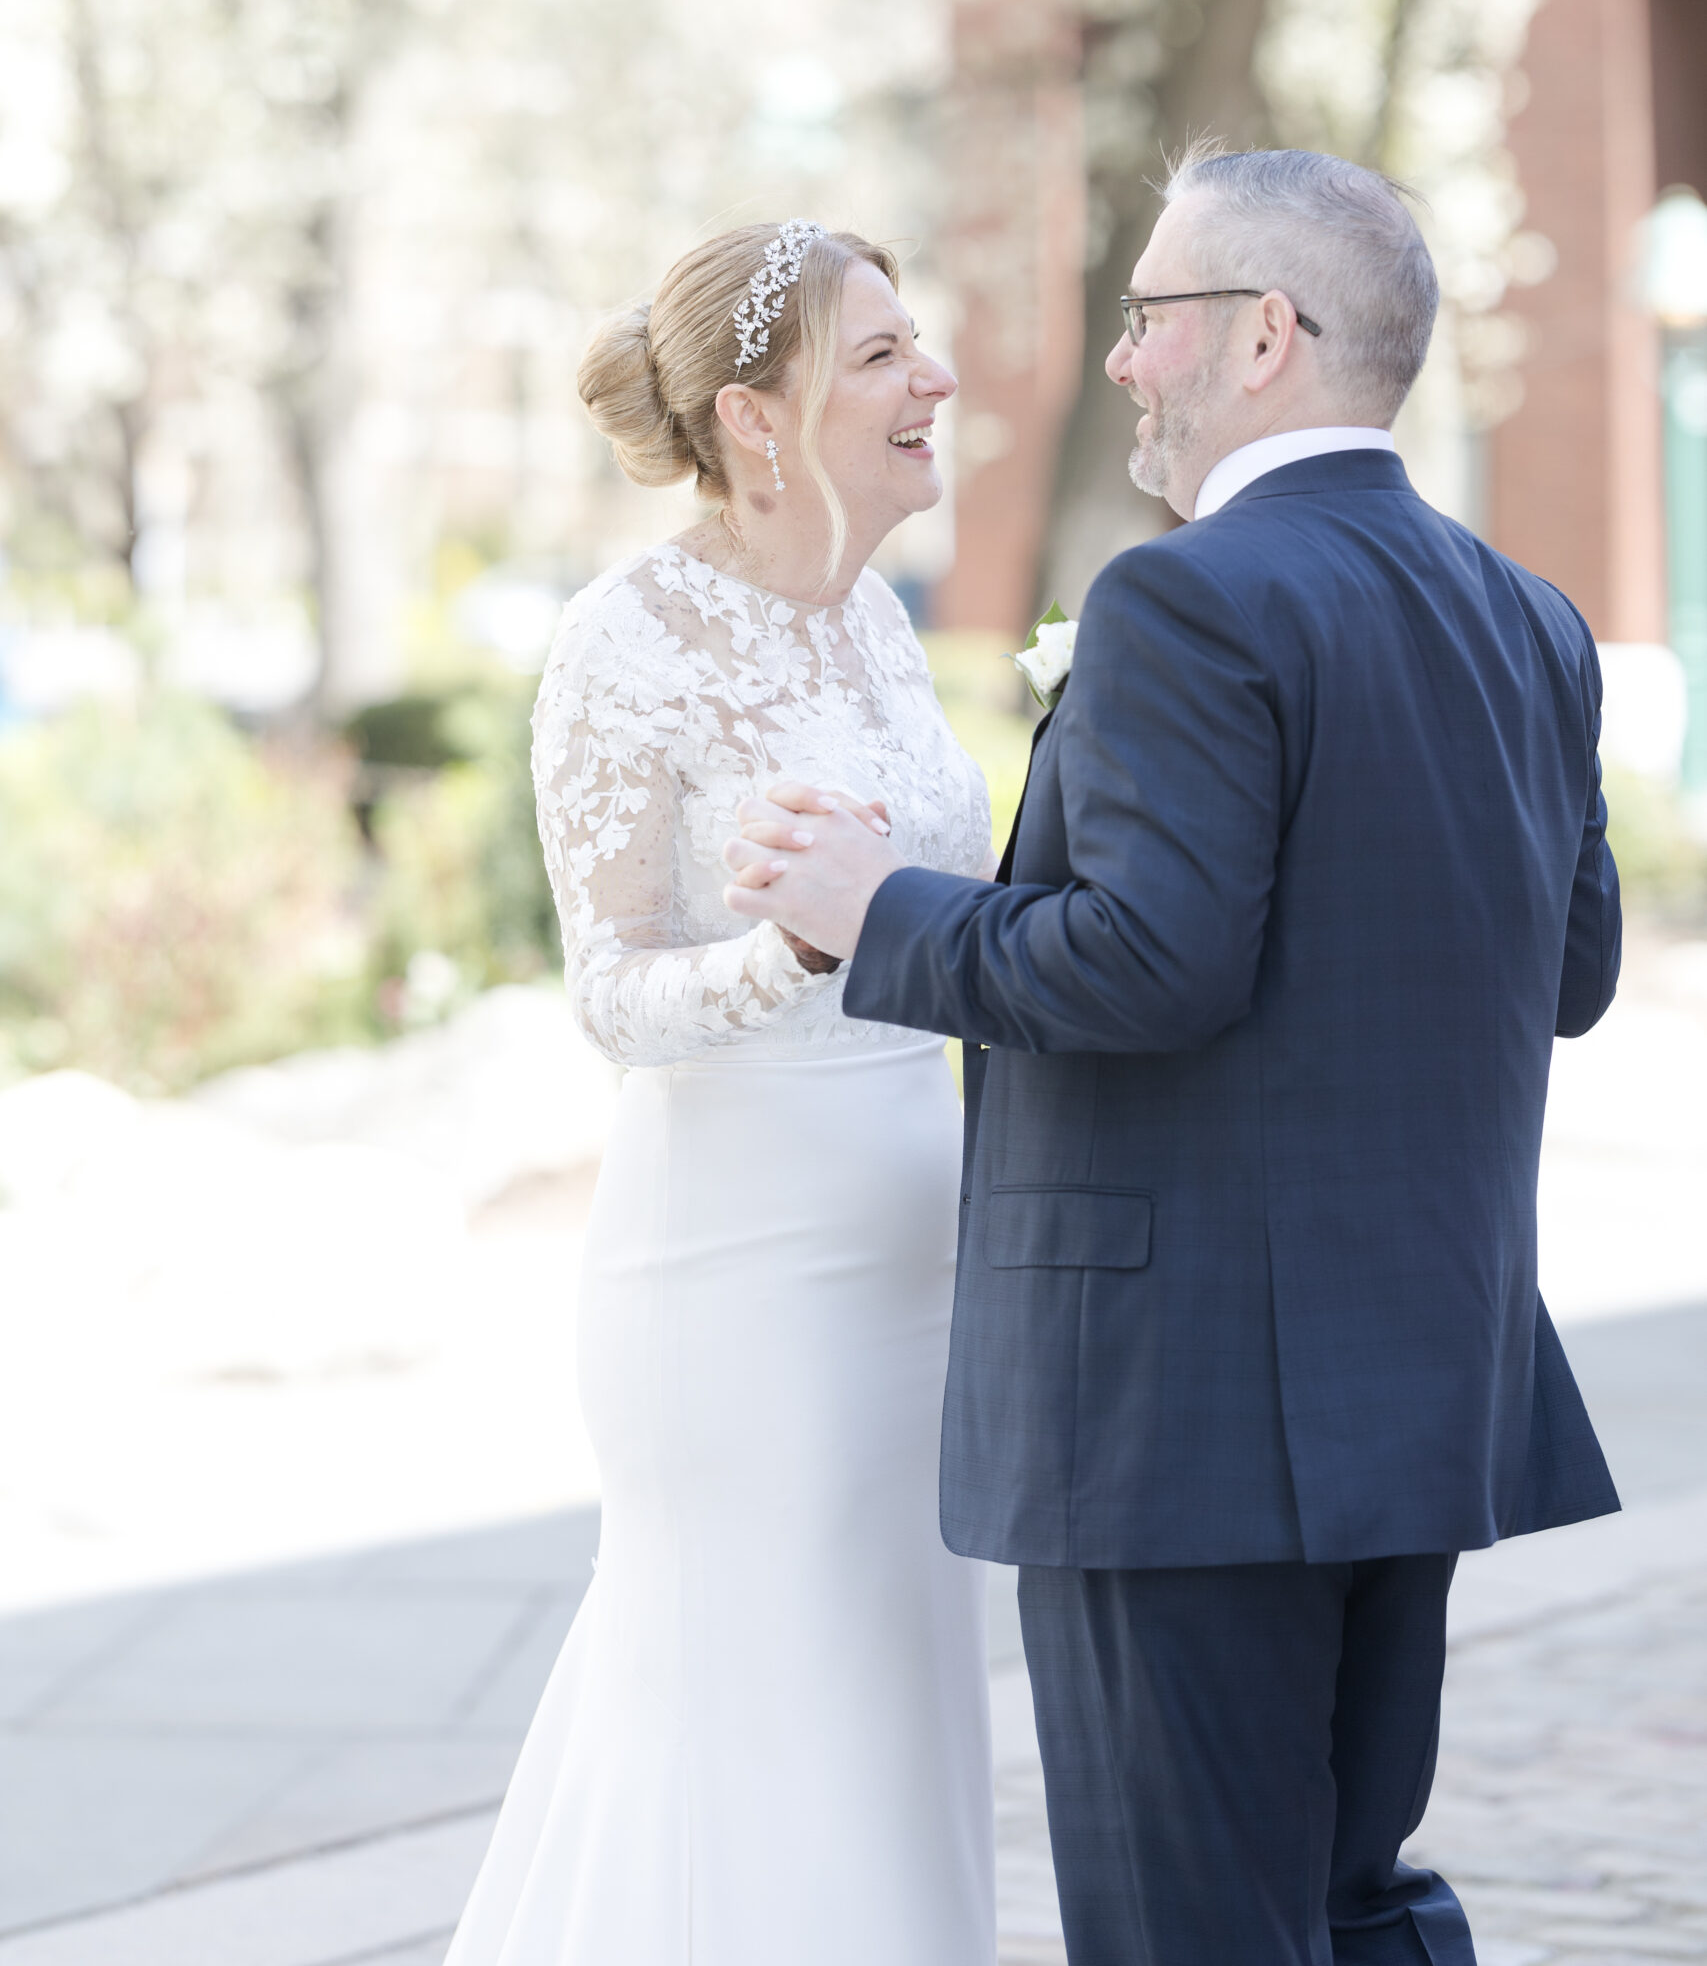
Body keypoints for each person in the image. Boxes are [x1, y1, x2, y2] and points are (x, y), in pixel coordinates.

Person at [723, 149, 1623, 1966]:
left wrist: (879, 904)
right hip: (1417, 1375)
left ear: (1265, 336)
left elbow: (1147, 963)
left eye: (1148, 318)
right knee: (1346, 1900)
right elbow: (1575, 967)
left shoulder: (1188, 599)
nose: (1122, 361)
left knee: (1185, 1924)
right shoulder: (1525, 615)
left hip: (1184, 1403)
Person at [444, 221, 997, 1966]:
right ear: (760, 420)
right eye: (888, 355)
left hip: (925, 1268)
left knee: (898, 1714)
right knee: (754, 1720)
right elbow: (610, 993)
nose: (941, 380)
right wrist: (799, 955)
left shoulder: (878, 635)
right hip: (741, 1283)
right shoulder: (629, 638)